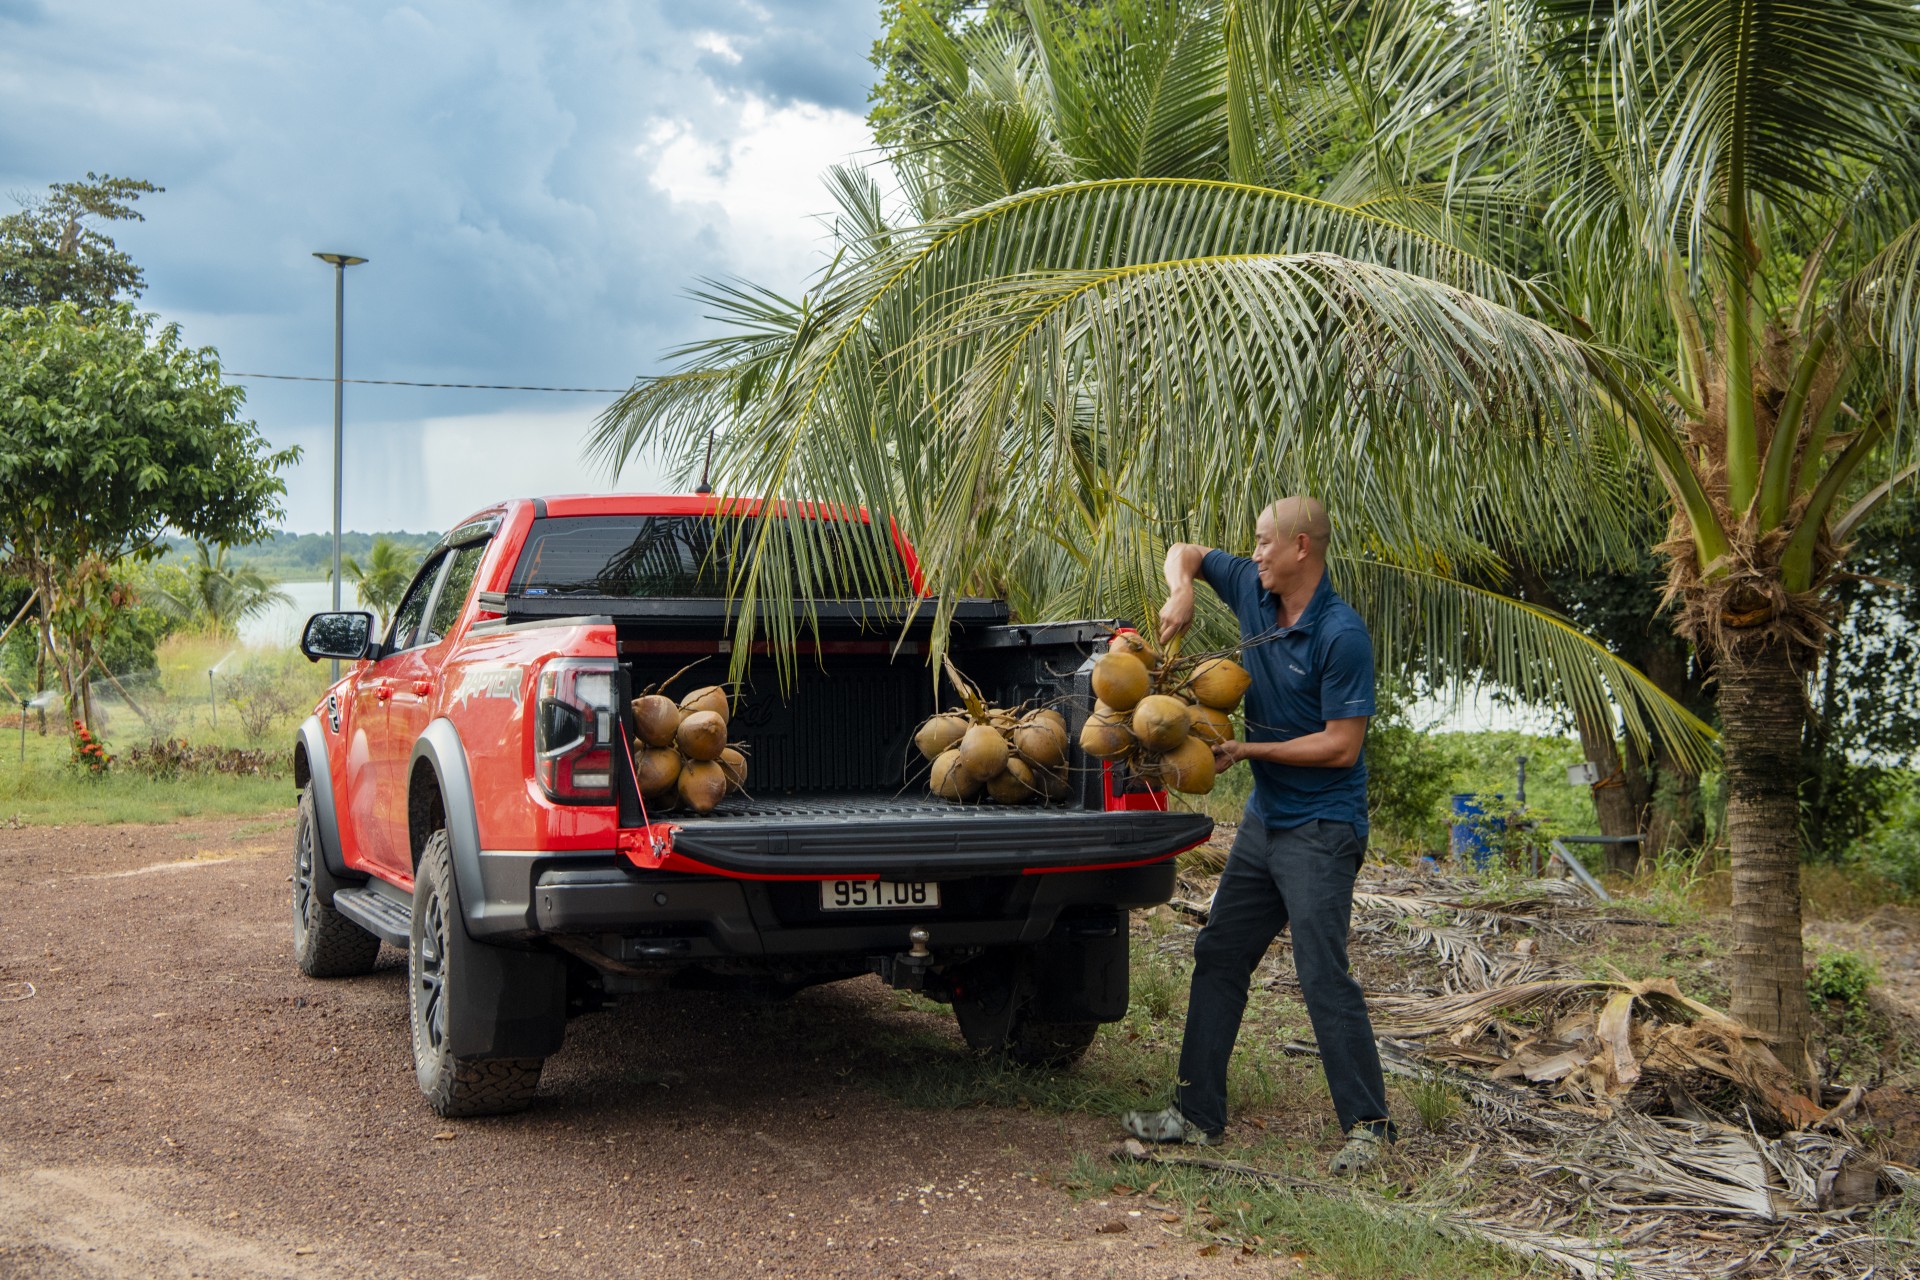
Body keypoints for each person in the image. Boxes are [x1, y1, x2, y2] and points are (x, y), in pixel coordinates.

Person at [1120, 496, 1395, 1174]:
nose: (1255, 553)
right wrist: (1181, 587)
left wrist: (1246, 752)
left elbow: (1340, 746)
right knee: (1219, 953)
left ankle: (1369, 1128)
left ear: (1303, 547)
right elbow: (1185, 550)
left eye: (1266, 542)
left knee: (1321, 971)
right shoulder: (1253, 586)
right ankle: (1194, 1116)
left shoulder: (1341, 634)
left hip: (1322, 828)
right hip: (1268, 822)